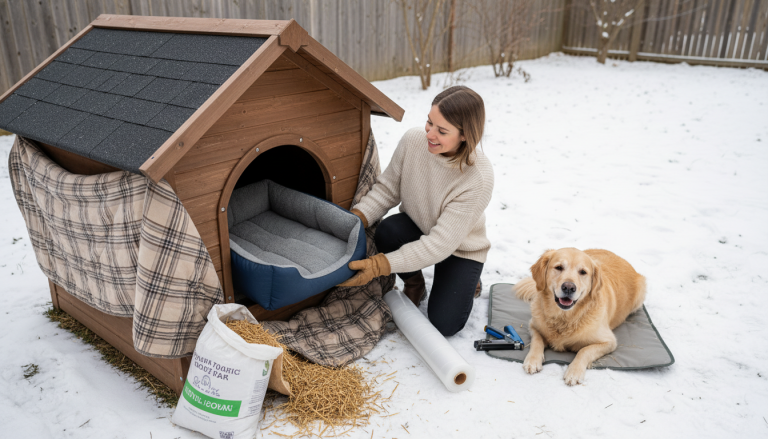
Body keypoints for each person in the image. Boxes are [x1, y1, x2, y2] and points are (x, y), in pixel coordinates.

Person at [338, 85, 494, 337]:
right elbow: (387, 189)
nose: (430, 134)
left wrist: (379, 266)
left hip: (459, 249)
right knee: (387, 230)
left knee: (445, 323)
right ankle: (415, 283)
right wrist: (357, 218)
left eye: (442, 131)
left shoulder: (478, 178)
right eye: (429, 122)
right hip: (420, 226)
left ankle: (468, 281)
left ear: (465, 135)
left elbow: (439, 245)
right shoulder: (413, 141)